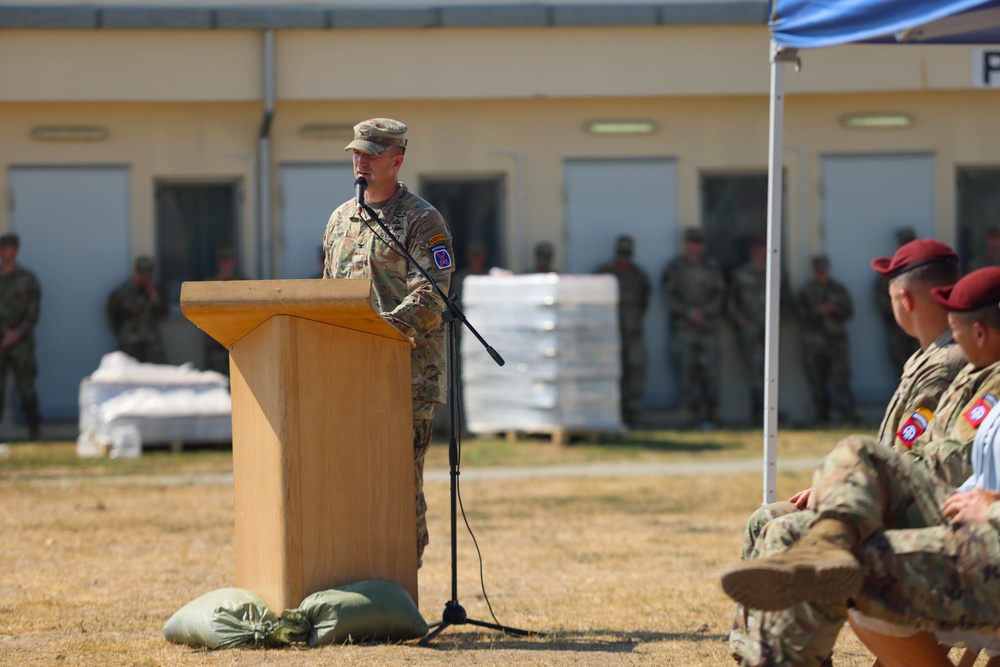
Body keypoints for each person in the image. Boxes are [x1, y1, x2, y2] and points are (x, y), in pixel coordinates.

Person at [721, 267, 1000, 667]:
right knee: (857, 454)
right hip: (965, 520)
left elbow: (949, 459)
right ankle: (826, 543)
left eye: (956, 330)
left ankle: (824, 549)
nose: (950, 339)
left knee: (819, 549)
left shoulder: (973, 373)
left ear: (979, 333)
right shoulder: (973, 369)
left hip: (980, 539)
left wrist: (987, 506)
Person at [321, 118, 453, 567]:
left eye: (371, 155)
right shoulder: (341, 220)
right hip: (349, 377)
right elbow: (327, 295)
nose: (360, 162)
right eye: (356, 154)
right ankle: (359, 580)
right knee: (350, 484)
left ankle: (402, 586)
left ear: (396, 160)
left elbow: (431, 296)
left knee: (398, 485)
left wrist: (379, 336)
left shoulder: (422, 220)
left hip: (407, 378)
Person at [662, 227, 725, 428]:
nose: (694, 245)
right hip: (684, 329)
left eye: (698, 241)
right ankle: (693, 417)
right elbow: (670, 295)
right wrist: (689, 312)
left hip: (707, 328)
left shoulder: (712, 267)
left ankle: (712, 416)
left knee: (711, 373)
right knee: (687, 373)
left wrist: (704, 312)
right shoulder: (675, 267)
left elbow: (720, 293)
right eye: (691, 241)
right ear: (685, 243)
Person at [726, 236, 792, 421]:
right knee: (757, 370)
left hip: (770, 330)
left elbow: (787, 301)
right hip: (750, 329)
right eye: (754, 248)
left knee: (771, 370)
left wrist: (779, 319)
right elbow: (731, 303)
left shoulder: (777, 273)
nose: (758, 252)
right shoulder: (740, 274)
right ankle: (759, 412)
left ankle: (770, 411)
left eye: (761, 248)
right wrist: (740, 321)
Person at [595, 234, 652, 428]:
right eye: (621, 254)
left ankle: (632, 416)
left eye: (627, 255)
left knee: (635, 375)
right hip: (610, 338)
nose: (623, 259)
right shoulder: (604, 274)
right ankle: (613, 416)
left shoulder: (639, 275)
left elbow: (645, 301)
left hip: (633, 335)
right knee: (612, 376)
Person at [796, 254, 857, 424]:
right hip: (814, 341)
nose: (821, 273)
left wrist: (835, 309)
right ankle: (822, 415)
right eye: (818, 270)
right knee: (816, 378)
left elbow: (849, 311)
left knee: (840, 377)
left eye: (823, 270)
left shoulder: (838, 289)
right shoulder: (806, 290)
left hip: (836, 340)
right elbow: (799, 314)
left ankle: (847, 414)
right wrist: (817, 311)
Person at [0, 233, 42, 440]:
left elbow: (33, 312)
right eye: (5, 248)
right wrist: (3, 331)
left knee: (26, 389)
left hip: (21, 343)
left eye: (12, 248)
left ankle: (34, 431)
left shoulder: (28, 279)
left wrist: (17, 333)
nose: (8, 252)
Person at [875, 227, 921, 377]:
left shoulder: (924, 267)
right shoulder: (891, 269)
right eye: (905, 243)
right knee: (900, 366)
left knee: (922, 363)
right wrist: (901, 308)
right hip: (897, 327)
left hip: (921, 325)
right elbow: (881, 298)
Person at [107, 256, 167, 364]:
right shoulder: (122, 292)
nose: (145, 279)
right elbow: (113, 315)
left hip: (151, 342)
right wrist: (122, 331)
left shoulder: (156, 291)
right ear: (136, 271)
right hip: (130, 342)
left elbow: (163, 314)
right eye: (142, 275)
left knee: (157, 372)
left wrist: (155, 298)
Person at [203, 246, 246, 375]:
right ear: (218, 262)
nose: (226, 264)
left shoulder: (246, 284)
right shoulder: (209, 285)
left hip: (241, 343)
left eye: (229, 260)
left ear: (235, 261)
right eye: (223, 260)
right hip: (216, 344)